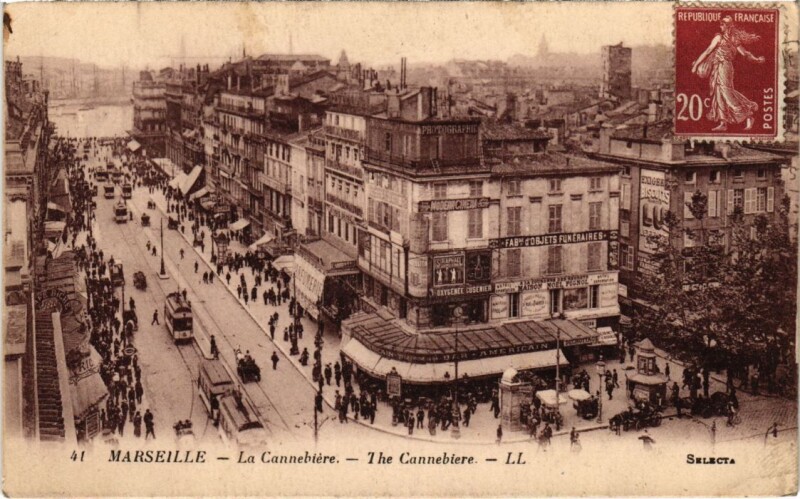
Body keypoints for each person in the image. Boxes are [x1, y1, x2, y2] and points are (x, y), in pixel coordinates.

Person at [691, 16, 764, 131]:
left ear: (728, 26)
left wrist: (756, 59)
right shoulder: (719, 37)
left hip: (725, 67)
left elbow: (745, 53)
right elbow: (708, 51)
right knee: (718, 93)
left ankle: (747, 114)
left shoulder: (733, 39)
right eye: (720, 24)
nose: (721, 26)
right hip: (717, 67)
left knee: (726, 92)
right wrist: (696, 65)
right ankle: (723, 122)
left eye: (723, 24)